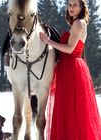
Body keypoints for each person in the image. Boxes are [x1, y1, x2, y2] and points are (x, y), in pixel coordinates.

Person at [40, 0, 101, 140]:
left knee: (73, 111)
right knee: (69, 111)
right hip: (68, 68)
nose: (71, 8)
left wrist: (48, 41)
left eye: (75, 5)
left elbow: (69, 48)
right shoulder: (76, 23)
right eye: (69, 5)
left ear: (81, 8)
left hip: (72, 69)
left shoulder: (79, 23)